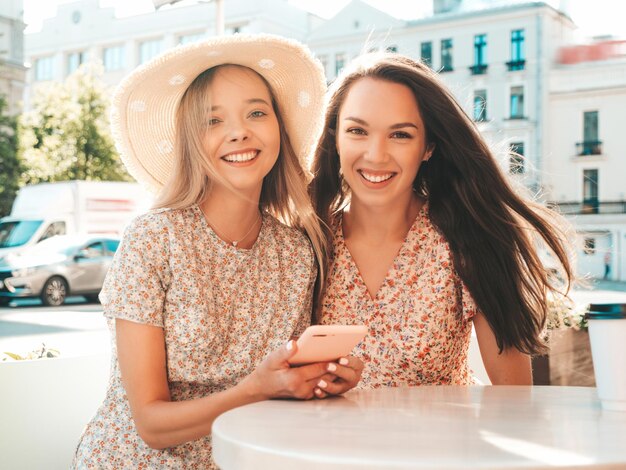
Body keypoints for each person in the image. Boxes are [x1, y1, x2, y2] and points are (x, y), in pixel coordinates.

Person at [73, 35, 361, 469]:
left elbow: (280, 388)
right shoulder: (152, 240)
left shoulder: (296, 252)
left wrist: (317, 382)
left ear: (278, 130)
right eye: (212, 120)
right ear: (191, 141)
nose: (238, 131)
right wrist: (258, 388)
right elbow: (151, 424)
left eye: (256, 113)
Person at [309, 53, 574, 389]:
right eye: (357, 130)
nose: (375, 154)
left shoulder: (468, 241)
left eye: (400, 135)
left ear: (428, 147)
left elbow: (514, 399)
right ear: (334, 137)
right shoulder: (306, 242)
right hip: (326, 439)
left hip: (446, 439)